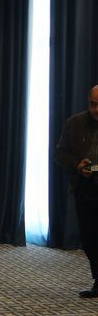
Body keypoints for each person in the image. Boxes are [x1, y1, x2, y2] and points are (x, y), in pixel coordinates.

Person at [56, 85, 98, 298]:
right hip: (86, 188)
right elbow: (60, 153)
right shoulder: (75, 123)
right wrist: (77, 165)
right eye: (93, 104)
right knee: (90, 238)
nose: (96, 109)